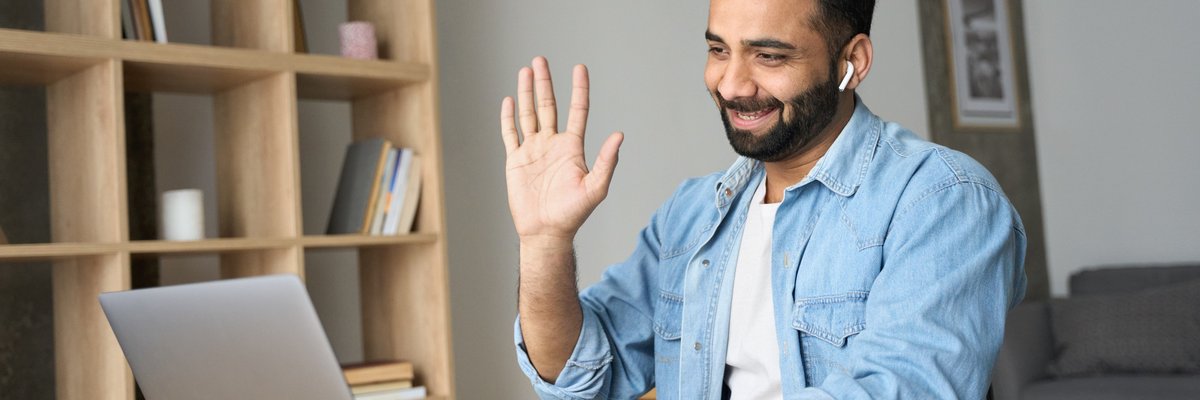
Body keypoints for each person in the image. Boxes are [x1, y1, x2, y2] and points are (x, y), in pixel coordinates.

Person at [499, 0, 1027, 398]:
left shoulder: (942, 200)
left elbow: (900, 388)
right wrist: (545, 242)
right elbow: (584, 374)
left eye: (769, 56)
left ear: (853, 61)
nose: (731, 84)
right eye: (717, 50)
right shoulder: (693, 215)